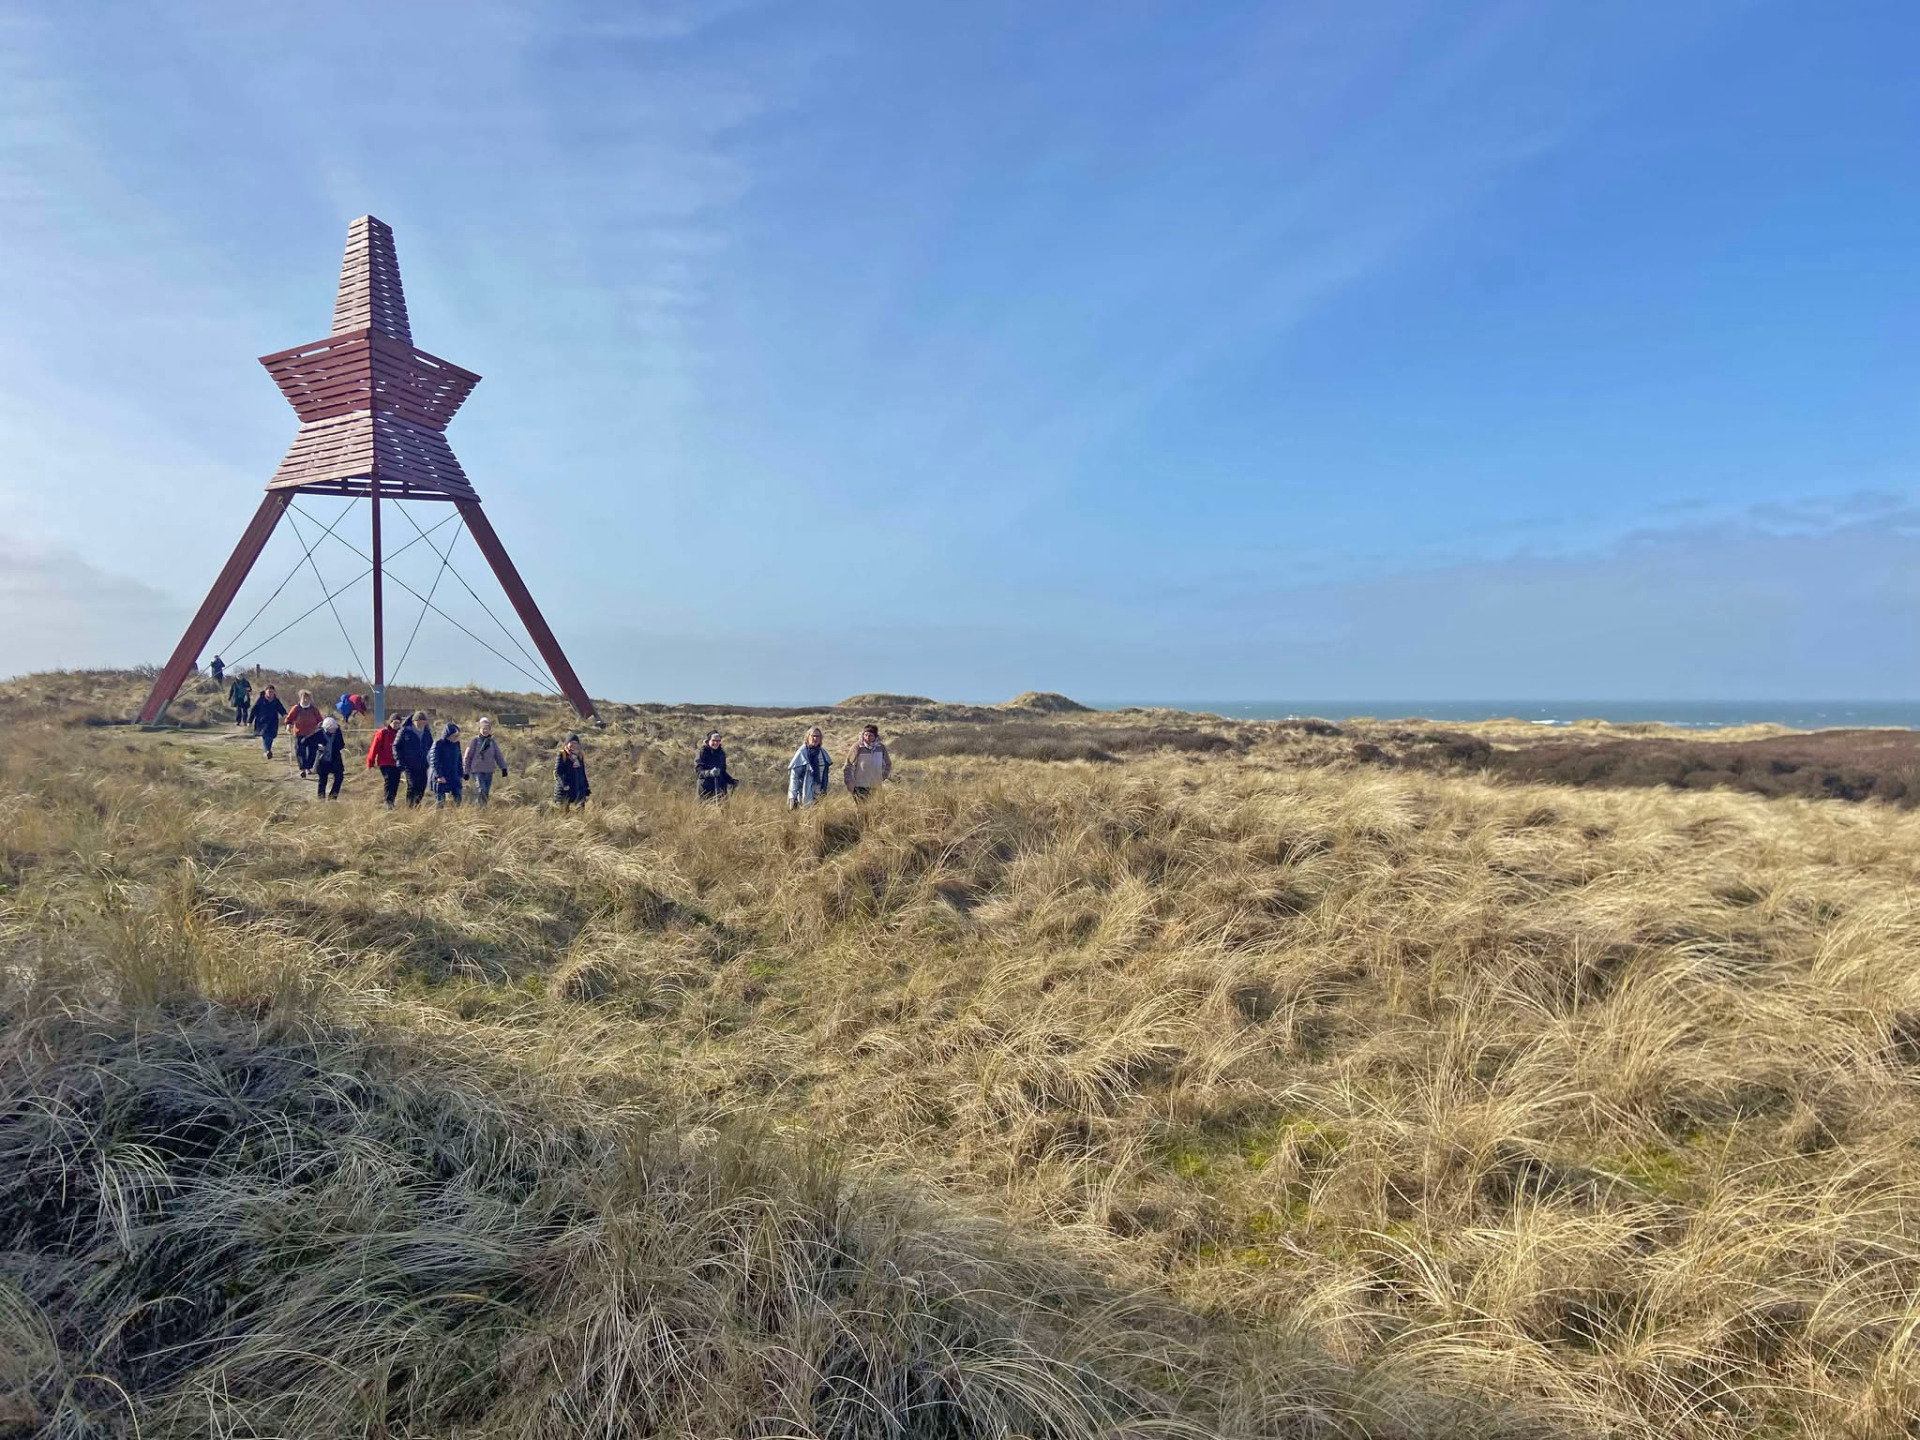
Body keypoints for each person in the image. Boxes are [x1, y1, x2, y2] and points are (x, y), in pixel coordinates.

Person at [463, 717, 509, 806]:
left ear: (489, 730)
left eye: (487, 729)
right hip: (477, 770)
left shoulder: (492, 742)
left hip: (489, 770)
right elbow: (467, 757)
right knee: (481, 790)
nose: (485, 731)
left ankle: (483, 809)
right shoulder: (475, 741)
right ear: (479, 729)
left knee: (486, 792)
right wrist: (466, 772)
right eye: (483, 728)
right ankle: (478, 808)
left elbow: (498, 755)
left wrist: (503, 768)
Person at [787, 726, 833, 809]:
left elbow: (825, 775)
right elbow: (794, 777)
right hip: (804, 794)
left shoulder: (823, 753)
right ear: (808, 737)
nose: (815, 738)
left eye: (818, 736)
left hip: (820, 794)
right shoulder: (802, 753)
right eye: (813, 736)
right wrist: (793, 797)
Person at [844, 723, 892, 800]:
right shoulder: (857, 747)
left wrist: (883, 776)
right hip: (860, 786)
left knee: (875, 807)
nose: (867, 737)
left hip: (876, 786)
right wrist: (849, 782)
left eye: (870, 735)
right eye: (865, 735)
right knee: (862, 806)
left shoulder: (881, 748)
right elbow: (848, 765)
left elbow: (888, 764)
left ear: (875, 736)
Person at [366, 712, 405, 808]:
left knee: (395, 781)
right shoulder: (383, 733)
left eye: (398, 723)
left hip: (397, 762)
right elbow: (374, 747)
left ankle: (392, 801)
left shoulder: (402, 734)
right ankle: (388, 802)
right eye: (394, 722)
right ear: (390, 722)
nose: (395, 725)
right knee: (389, 780)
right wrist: (370, 761)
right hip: (385, 762)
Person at [395, 710, 432, 807]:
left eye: (423, 722)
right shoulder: (405, 731)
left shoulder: (427, 732)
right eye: (418, 722)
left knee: (422, 785)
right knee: (413, 785)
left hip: (423, 764)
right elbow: (396, 746)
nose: (421, 724)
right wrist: (399, 761)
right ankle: (410, 806)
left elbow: (431, 746)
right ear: (414, 721)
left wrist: (430, 760)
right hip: (409, 764)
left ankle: (417, 804)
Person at [287, 690, 325, 777]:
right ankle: (303, 769)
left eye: (308, 698)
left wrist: (321, 728)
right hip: (299, 733)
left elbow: (320, 720)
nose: (306, 700)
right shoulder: (296, 708)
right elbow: (289, 719)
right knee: (300, 751)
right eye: (304, 698)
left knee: (312, 751)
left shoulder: (314, 709)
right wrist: (288, 725)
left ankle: (308, 767)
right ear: (300, 698)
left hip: (312, 734)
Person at [696, 731, 737, 801]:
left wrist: (731, 780)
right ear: (708, 740)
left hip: (720, 789)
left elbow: (722, 772)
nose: (716, 743)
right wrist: (709, 773)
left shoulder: (721, 754)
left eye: (718, 741)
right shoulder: (702, 753)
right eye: (713, 740)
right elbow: (698, 771)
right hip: (705, 790)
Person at [430, 722, 464, 807]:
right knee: (440, 802)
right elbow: (434, 761)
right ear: (448, 735)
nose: (456, 738)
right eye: (454, 736)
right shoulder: (438, 744)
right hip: (441, 776)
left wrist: (461, 774)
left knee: (458, 798)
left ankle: (457, 814)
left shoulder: (456, 744)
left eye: (457, 736)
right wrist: (439, 776)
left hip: (454, 776)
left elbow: (459, 760)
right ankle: (440, 815)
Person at [313, 715, 347, 800]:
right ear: (325, 728)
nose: (332, 731)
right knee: (322, 780)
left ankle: (332, 797)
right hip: (322, 760)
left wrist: (335, 746)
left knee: (339, 777)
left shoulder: (337, 731)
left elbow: (341, 744)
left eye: (333, 729)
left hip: (335, 758)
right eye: (330, 729)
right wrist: (317, 747)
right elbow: (306, 742)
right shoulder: (319, 732)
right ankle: (321, 800)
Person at [554, 733, 590, 809]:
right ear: (567, 743)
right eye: (571, 742)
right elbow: (557, 772)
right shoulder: (562, 754)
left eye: (575, 743)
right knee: (564, 814)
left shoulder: (579, 755)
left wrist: (586, 786)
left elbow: (582, 773)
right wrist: (564, 785)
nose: (573, 745)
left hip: (578, 790)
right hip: (564, 792)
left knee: (580, 813)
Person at [250, 685, 286, 759]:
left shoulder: (276, 701)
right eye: (269, 691)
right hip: (262, 721)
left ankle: (267, 750)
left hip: (273, 722)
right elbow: (254, 710)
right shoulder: (261, 700)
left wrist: (285, 715)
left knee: (271, 736)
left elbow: (281, 709)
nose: (270, 693)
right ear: (265, 692)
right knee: (266, 735)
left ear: (274, 692)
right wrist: (250, 721)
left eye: (272, 692)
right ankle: (267, 751)